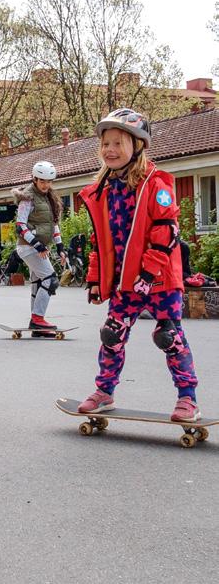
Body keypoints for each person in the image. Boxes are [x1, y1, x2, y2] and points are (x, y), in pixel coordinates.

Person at [77, 108, 201, 421]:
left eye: (118, 143)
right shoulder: (103, 190)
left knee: (168, 336)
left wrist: (147, 273)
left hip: (159, 278)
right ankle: (105, 391)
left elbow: (166, 233)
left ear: (138, 146)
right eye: (106, 143)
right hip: (123, 280)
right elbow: (99, 241)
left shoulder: (156, 184)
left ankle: (188, 398)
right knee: (112, 333)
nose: (110, 149)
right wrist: (95, 279)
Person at [11, 161, 67, 337]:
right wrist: (37, 244)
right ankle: (37, 319)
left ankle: (36, 325)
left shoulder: (49, 197)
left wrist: (60, 247)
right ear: (35, 179)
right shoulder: (27, 197)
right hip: (28, 247)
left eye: (49, 181)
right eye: (42, 181)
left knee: (38, 283)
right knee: (50, 279)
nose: (46, 185)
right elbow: (20, 226)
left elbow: (53, 225)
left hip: (39, 247)